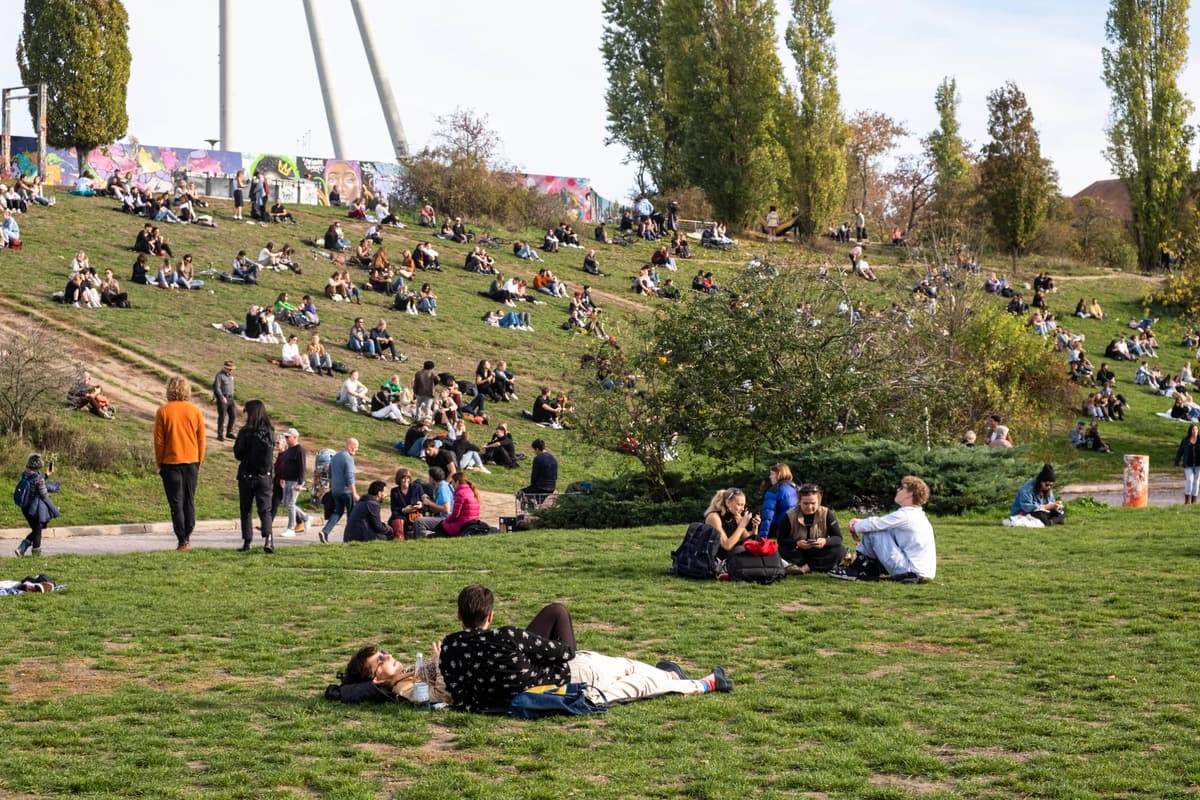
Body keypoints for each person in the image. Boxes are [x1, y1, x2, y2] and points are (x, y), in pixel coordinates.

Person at [434, 584, 732, 714]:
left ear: (459, 615)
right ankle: (682, 679)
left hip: (524, 692)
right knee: (628, 673)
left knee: (628, 676)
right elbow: (566, 653)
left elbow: (461, 697)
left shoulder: (450, 647)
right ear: (490, 616)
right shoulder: (508, 637)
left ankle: (670, 674)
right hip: (566, 680)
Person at [831, 475, 935, 583]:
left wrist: (855, 526)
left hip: (909, 570)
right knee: (876, 529)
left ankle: (854, 569)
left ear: (910, 493)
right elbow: (882, 524)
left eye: (902, 488)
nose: (897, 490)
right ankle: (868, 569)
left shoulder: (905, 515)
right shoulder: (918, 515)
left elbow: (876, 524)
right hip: (921, 571)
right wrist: (861, 522)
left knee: (874, 531)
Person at [154, 376, 206, 551]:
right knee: (189, 500)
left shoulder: (163, 411)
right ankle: (188, 532)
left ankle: (182, 539)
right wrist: (199, 460)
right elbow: (201, 439)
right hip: (192, 461)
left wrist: (159, 462)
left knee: (176, 502)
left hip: (170, 462)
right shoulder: (195, 411)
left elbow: (159, 442)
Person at [233, 399, 277, 553]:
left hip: (246, 474)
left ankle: (247, 541)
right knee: (265, 509)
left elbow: (238, 454)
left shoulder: (245, 432)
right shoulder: (269, 432)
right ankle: (268, 539)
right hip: (264, 476)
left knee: (246, 509)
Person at [776, 484, 846, 575]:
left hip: (819, 551)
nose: (809, 507)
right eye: (805, 503)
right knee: (779, 551)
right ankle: (820, 564)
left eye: (813, 503)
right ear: (799, 501)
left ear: (819, 501)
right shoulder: (789, 516)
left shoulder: (826, 513)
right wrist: (796, 543)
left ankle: (805, 568)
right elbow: (781, 540)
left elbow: (838, 538)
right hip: (798, 553)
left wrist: (825, 541)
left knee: (840, 550)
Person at [13, 454, 60, 558]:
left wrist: (46, 474)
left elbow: (36, 480)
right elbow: (44, 495)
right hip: (33, 509)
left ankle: (22, 549)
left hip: (24, 507)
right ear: (39, 465)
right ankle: (35, 555)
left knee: (37, 528)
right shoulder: (38, 479)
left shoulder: (25, 474)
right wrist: (54, 509)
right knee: (38, 529)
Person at [319, 438, 359, 543]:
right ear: (350, 447)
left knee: (338, 512)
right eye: (356, 447)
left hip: (336, 491)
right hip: (347, 491)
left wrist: (333, 488)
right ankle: (349, 538)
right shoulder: (348, 458)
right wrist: (354, 493)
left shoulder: (335, 457)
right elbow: (349, 477)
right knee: (351, 514)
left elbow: (330, 475)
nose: (356, 450)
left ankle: (325, 531)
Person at [703, 488, 760, 560]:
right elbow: (727, 545)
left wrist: (755, 527)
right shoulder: (713, 517)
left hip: (727, 558)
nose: (742, 509)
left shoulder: (736, 517)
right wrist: (742, 525)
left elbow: (750, 542)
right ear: (728, 503)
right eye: (739, 504)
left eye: (743, 505)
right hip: (712, 559)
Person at [278, 428, 308, 535]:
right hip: (287, 480)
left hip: (295, 481)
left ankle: (291, 528)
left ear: (295, 437)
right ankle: (305, 517)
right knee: (285, 503)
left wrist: (300, 483)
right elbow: (286, 465)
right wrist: (282, 477)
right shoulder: (289, 450)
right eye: (285, 437)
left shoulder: (300, 450)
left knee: (290, 503)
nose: (286, 439)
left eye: (288, 437)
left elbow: (302, 467)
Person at [412, 466, 453, 539]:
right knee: (422, 519)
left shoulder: (443, 488)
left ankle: (422, 541)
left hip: (447, 519)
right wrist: (428, 501)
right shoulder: (443, 485)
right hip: (445, 517)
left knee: (419, 521)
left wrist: (429, 503)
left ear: (431, 478)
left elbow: (446, 509)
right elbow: (437, 509)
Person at [758, 463, 798, 538]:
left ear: (779, 475)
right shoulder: (795, 487)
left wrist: (762, 537)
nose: (770, 477)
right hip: (796, 528)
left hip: (781, 529)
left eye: (772, 474)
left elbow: (767, 517)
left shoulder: (774, 490)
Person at [518, 439, 557, 509]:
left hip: (540, 487)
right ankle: (538, 506)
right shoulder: (553, 458)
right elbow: (555, 476)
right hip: (552, 487)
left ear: (537, 449)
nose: (534, 452)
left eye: (534, 450)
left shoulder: (538, 458)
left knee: (520, 493)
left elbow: (534, 476)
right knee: (539, 498)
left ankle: (531, 509)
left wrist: (532, 487)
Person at [388, 467, 425, 540]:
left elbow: (425, 500)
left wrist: (421, 505)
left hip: (415, 515)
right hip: (402, 516)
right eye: (403, 478)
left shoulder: (417, 487)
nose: (406, 480)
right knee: (396, 517)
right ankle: (399, 537)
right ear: (399, 479)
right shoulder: (394, 491)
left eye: (408, 478)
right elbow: (393, 509)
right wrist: (404, 510)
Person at [1176, 424, 1200, 505]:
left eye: (1196, 429)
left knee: (1196, 482)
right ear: (1190, 431)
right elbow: (1180, 451)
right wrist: (1177, 461)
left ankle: (1194, 501)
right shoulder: (1185, 440)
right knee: (1189, 480)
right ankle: (1187, 501)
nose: (1195, 431)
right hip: (1188, 464)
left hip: (1198, 465)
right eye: (1193, 429)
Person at [213, 360, 236, 441]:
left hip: (231, 398)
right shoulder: (219, 376)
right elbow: (217, 388)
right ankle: (220, 434)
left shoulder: (230, 375)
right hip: (223, 399)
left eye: (231, 369)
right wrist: (222, 397)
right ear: (225, 368)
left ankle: (229, 432)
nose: (231, 370)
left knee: (233, 415)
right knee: (222, 417)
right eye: (229, 369)